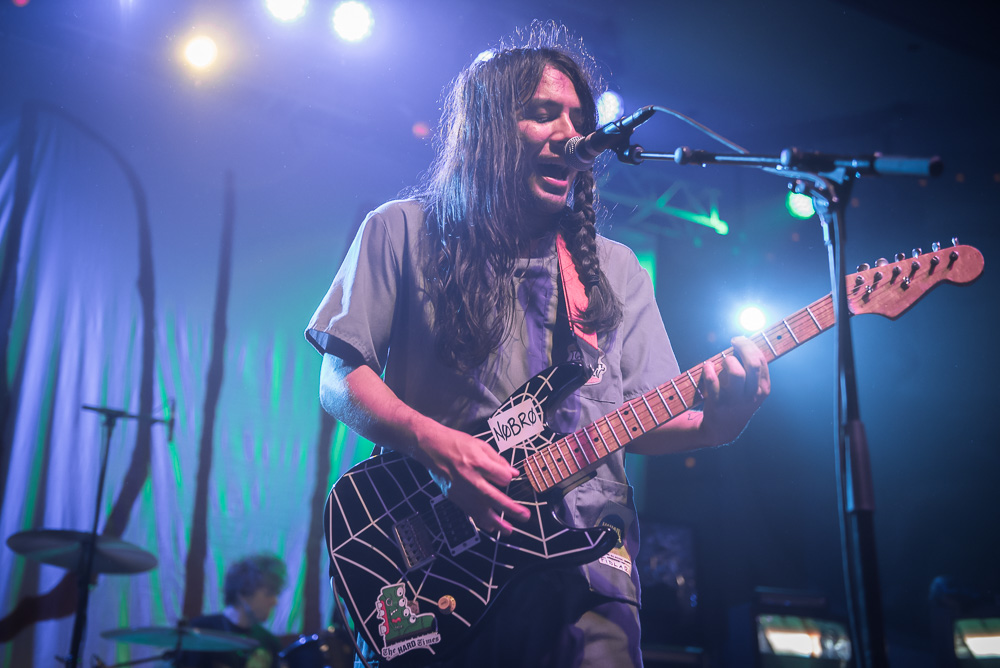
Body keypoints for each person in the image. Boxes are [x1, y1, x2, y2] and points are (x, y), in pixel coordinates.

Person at [305, 21, 769, 668]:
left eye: (579, 117)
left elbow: (640, 420)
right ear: (487, 131)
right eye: (543, 114)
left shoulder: (616, 271)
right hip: (435, 561)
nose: (572, 133)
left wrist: (720, 424)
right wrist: (440, 448)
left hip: (589, 571)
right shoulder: (401, 231)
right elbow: (338, 376)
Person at [178, 554, 287, 668]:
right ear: (243, 594)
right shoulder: (200, 631)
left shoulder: (270, 642)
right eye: (269, 594)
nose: (275, 602)